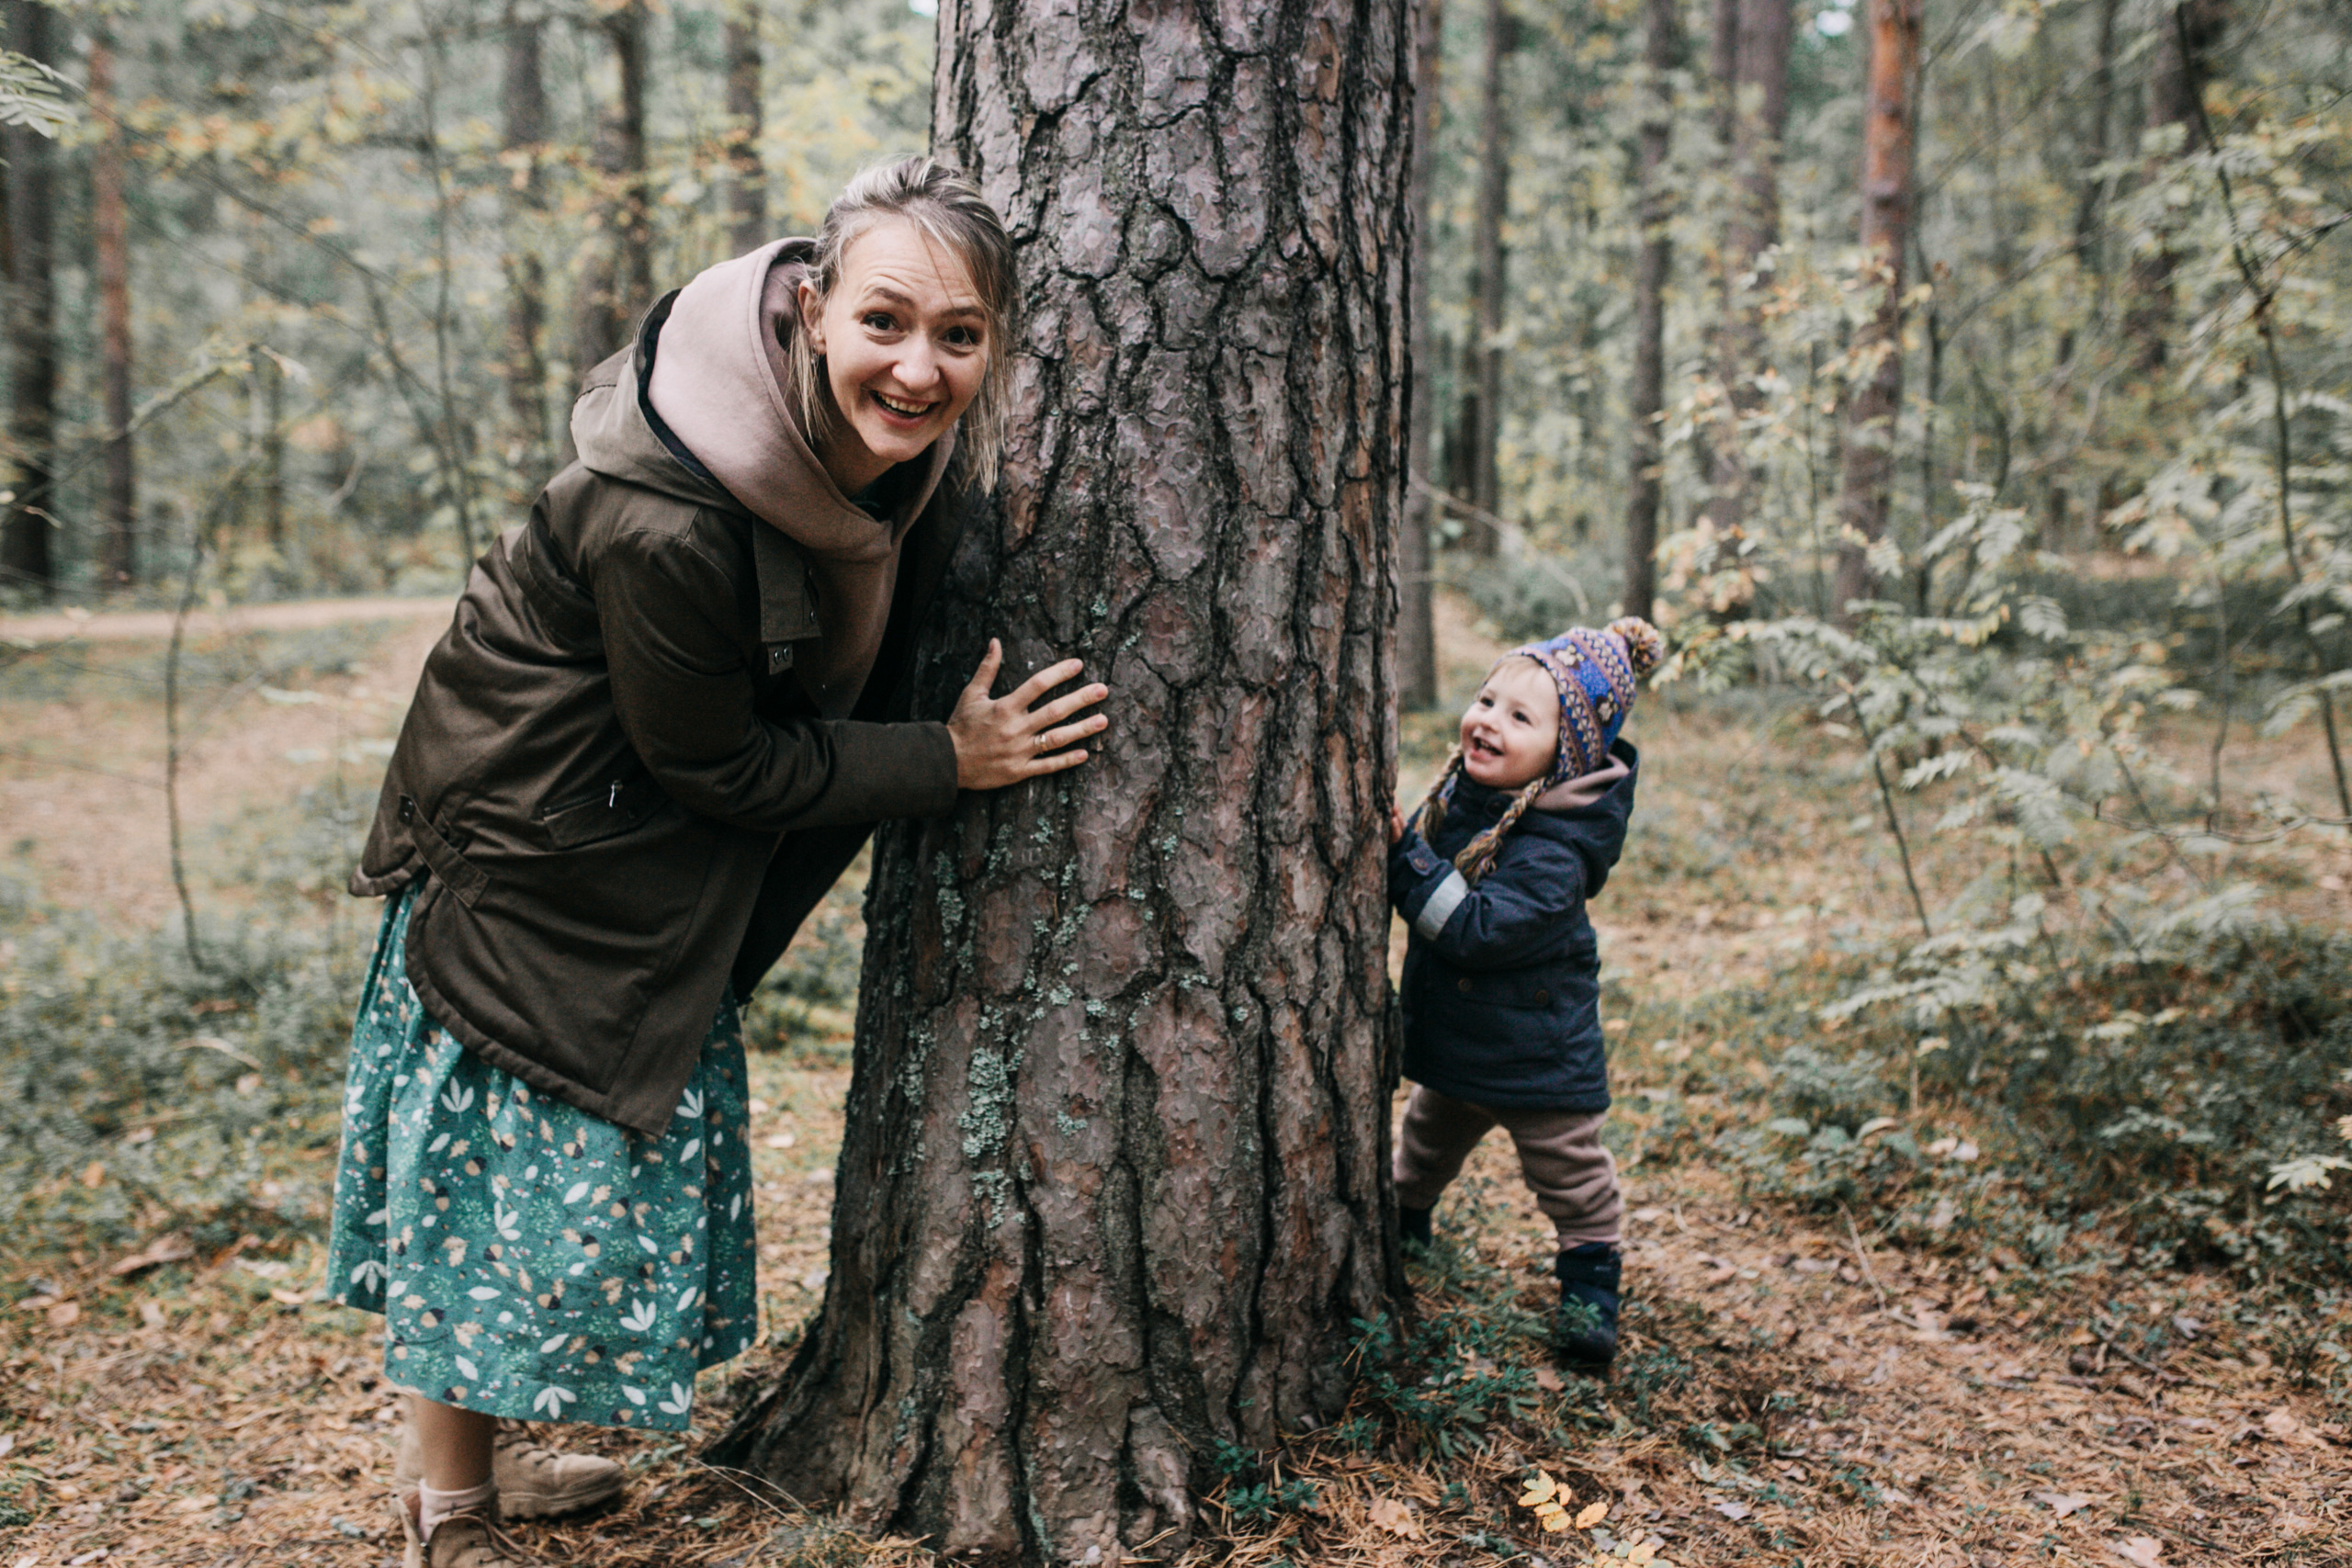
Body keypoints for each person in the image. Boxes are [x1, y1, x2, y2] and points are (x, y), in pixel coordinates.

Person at [323, 159, 1108, 1568]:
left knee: (564, 1199)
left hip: (630, 861)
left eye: (960, 335)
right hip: (537, 864)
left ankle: (490, 1447)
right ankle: (448, 1507)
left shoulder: (872, 461)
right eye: (884, 320)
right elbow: (720, 763)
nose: (919, 367)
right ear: (811, 310)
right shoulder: (674, 512)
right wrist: (948, 757)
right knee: (503, 1190)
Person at [1384, 616, 1662, 1369]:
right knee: (1422, 1144)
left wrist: (1404, 861)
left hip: (1538, 1061)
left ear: (1563, 756)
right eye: (1486, 699)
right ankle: (1401, 1234)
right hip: (1462, 1045)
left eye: (1519, 716)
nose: (1487, 721)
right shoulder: (1472, 798)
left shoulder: (1557, 853)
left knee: (1572, 1179)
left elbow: (1471, 928)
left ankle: (1589, 1299)